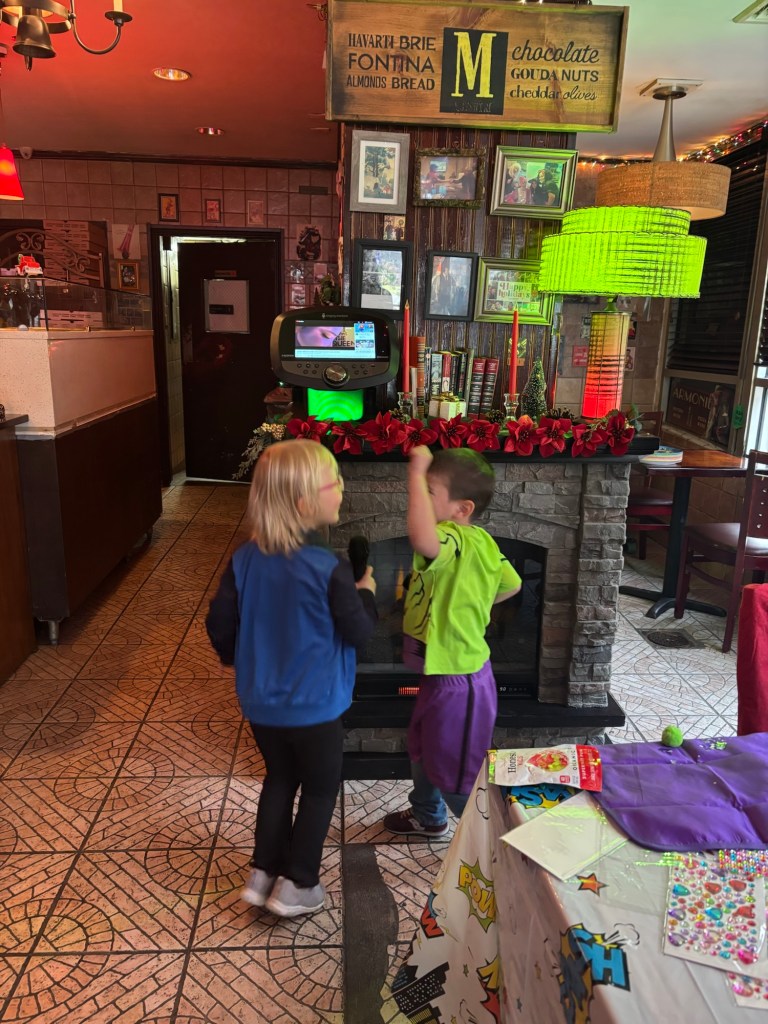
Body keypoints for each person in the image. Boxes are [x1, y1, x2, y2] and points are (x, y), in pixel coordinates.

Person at [206, 439, 377, 916]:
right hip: (317, 707)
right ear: (304, 503)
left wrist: (242, 662)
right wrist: (365, 592)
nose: (342, 487)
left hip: (262, 704)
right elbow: (359, 632)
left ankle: (263, 873)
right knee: (320, 789)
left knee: (280, 778)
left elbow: (220, 625)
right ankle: (299, 882)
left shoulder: (243, 560)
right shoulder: (329, 567)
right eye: (334, 481)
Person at [382, 447, 522, 837]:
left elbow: (424, 540)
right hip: (440, 672)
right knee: (423, 747)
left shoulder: (452, 538)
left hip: (460, 682)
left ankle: (495, 843)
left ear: (462, 509)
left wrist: (415, 474)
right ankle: (428, 815)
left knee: (457, 776)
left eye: (430, 492)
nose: (421, 498)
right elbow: (512, 585)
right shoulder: (484, 541)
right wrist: (471, 604)